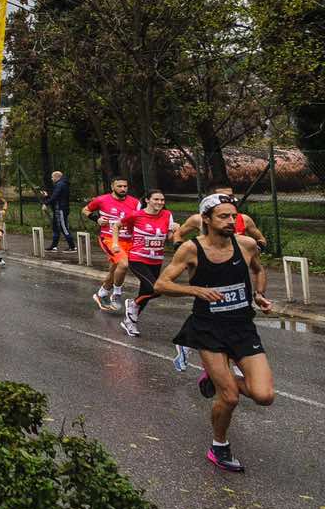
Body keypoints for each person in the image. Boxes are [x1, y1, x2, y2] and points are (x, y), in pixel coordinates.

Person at [153, 194, 275, 473]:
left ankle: (217, 377)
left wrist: (259, 295)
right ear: (205, 220)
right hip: (208, 329)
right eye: (223, 216)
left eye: (233, 216)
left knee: (264, 396)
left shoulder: (246, 245)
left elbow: (258, 270)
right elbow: (161, 284)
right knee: (230, 397)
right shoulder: (190, 250)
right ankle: (219, 447)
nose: (232, 221)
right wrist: (195, 290)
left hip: (242, 328)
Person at [117, 190, 174, 342]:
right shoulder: (136, 215)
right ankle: (132, 304)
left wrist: (175, 231)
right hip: (138, 258)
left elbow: (169, 237)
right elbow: (117, 225)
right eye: (156, 199)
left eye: (162, 200)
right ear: (147, 200)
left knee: (146, 293)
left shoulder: (167, 215)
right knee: (155, 289)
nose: (160, 202)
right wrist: (116, 244)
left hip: (156, 260)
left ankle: (130, 322)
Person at [85, 178, 140, 313]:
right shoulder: (102, 200)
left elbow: (140, 219)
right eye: (119, 186)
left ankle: (101, 294)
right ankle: (117, 294)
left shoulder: (135, 202)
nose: (123, 189)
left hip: (128, 240)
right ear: (112, 186)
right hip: (109, 239)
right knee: (124, 264)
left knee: (115, 269)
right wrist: (96, 219)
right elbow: (85, 210)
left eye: (125, 186)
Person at [172, 186, 268, 252]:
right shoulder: (198, 219)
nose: (228, 200)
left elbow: (261, 240)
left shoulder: (244, 219)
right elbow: (178, 234)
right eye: (223, 197)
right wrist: (181, 249)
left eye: (231, 196)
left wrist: (252, 253)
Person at [43, 170, 76, 251]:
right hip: (57, 209)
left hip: (61, 209)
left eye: (52, 177)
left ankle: (72, 246)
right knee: (55, 227)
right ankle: (54, 246)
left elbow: (55, 197)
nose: (51, 179)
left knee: (63, 227)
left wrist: (46, 203)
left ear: (56, 177)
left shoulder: (60, 184)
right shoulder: (60, 184)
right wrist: (47, 197)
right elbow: (56, 197)